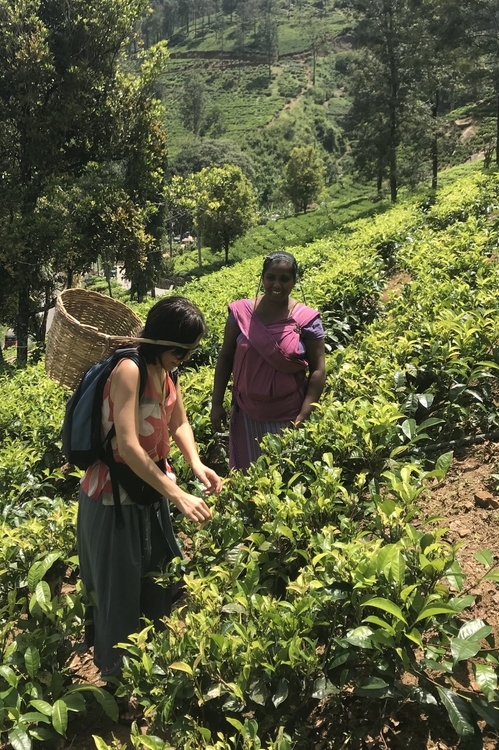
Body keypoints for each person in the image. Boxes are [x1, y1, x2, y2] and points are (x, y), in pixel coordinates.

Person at [77, 295, 223, 692]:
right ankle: (118, 685)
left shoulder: (166, 371)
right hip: (115, 499)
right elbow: (126, 445)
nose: (184, 359)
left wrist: (195, 463)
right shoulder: (129, 370)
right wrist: (177, 495)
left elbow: (180, 422)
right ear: (166, 344)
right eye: (182, 352)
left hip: (150, 491)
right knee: (117, 589)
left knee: (155, 578)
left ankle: (150, 665)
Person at [210, 250, 326, 471]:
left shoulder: (306, 320)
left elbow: (318, 369)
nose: (277, 284)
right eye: (270, 277)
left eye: (285, 279)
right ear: (262, 278)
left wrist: (306, 411)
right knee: (250, 482)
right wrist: (217, 402)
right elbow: (225, 357)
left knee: (283, 480)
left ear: (294, 281)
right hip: (246, 413)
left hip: (288, 415)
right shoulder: (240, 313)